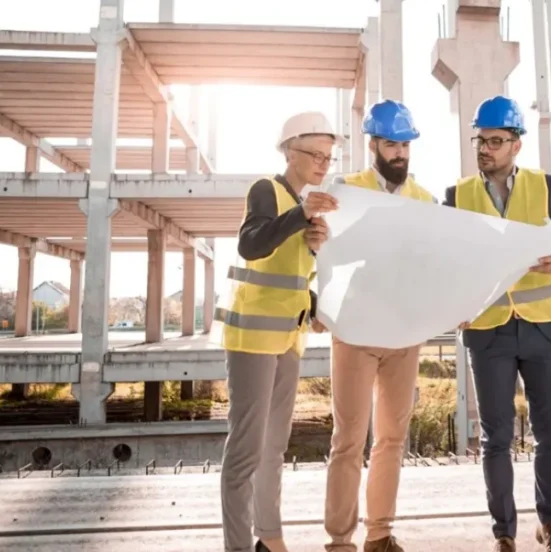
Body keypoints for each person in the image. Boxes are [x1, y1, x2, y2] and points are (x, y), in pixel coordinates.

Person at [443, 96, 551, 552]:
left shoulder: (545, 187)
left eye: (495, 140)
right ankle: (504, 533)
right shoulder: (457, 195)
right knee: (496, 438)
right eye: (480, 140)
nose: (484, 148)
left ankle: (550, 522)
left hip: (544, 328)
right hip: (489, 333)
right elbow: (443, 261)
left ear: (516, 145)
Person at [214, 111, 341, 552]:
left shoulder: (305, 206)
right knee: (246, 450)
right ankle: (237, 546)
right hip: (252, 338)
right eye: (315, 154)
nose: (324, 163)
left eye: (329, 156)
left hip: (288, 338)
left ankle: (269, 538)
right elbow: (251, 245)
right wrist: (300, 218)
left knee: (274, 448)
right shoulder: (267, 190)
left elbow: (293, 277)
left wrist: (312, 247)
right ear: (290, 150)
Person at [322, 99, 434, 552]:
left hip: (405, 335)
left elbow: (437, 264)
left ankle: (380, 533)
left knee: (391, 439)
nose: (400, 154)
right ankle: (339, 539)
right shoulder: (345, 190)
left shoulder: (425, 200)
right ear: (373, 146)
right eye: (392, 144)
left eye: (406, 145)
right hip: (355, 332)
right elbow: (323, 252)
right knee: (348, 438)